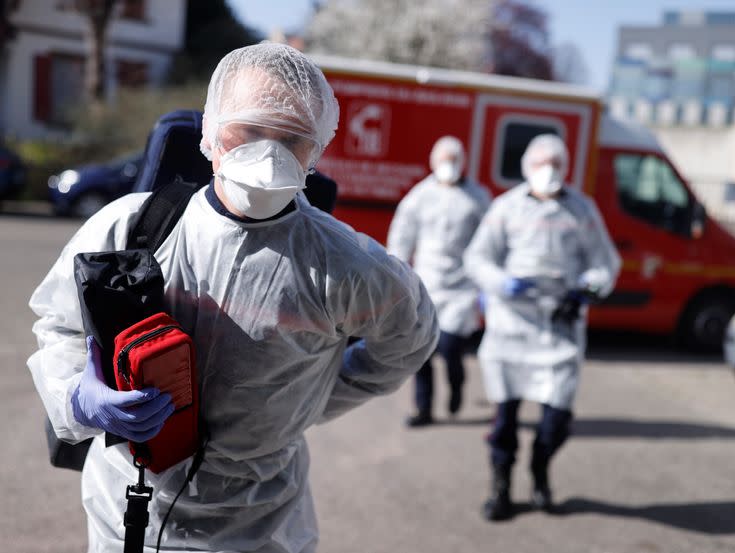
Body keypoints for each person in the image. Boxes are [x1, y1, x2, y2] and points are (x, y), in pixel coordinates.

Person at [27, 42, 439, 552]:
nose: (268, 155)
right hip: (126, 511)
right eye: (249, 130)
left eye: (292, 138)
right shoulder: (134, 226)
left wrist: (314, 401)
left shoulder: (347, 266)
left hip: (258, 524)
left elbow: (409, 338)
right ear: (212, 130)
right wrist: (79, 398)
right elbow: (60, 323)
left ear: (318, 147)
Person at [464, 134, 620, 521]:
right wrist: (501, 283)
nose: (547, 170)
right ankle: (500, 487)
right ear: (527, 167)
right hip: (511, 328)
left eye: (555, 162)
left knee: (557, 420)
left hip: (559, 330)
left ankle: (540, 468)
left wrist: (588, 288)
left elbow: (606, 263)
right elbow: (477, 258)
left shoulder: (582, 211)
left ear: (566, 167)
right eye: (540, 162)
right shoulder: (506, 208)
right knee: (505, 420)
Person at [387, 136, 491, 427]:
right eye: (444, 160)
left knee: (450, 346)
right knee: (422, 350)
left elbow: (491, 240)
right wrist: (395, 272)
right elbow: (402, 236)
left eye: (454, 160)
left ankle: (456, 384)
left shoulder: (478, 198)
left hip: (461, 287)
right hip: (427, 283)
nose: (449, 166)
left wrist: (486, 282)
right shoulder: (420, 196)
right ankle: (424, 408)